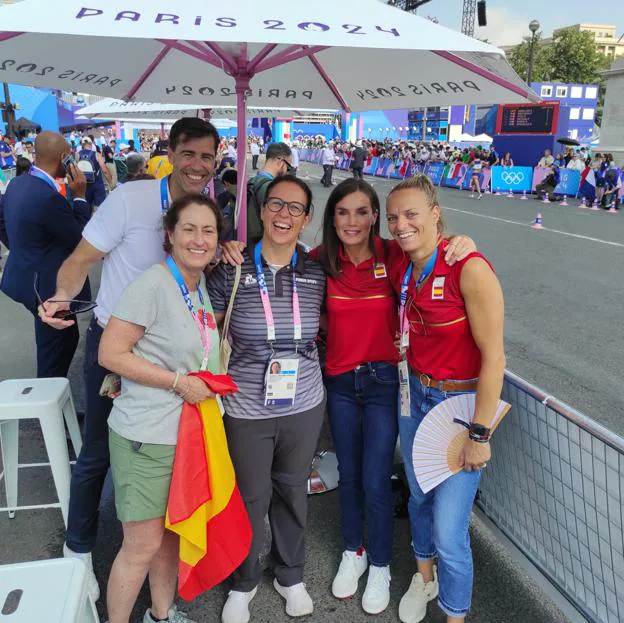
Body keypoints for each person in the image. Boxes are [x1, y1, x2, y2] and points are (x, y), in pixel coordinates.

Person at [221, 179, 475, 617]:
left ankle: (379, 564)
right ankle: (352, 551)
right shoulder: (321, 261)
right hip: (338, 382)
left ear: (376, 217)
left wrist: (459, 242)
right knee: (350, 475)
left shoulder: (394, 256)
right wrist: (231, 247)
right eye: (342, 213)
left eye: (362, 212)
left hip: (382, 386)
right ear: (329, 218)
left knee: (376, 477)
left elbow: (433, 252)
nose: (352, 221)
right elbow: (276, 265)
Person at [38, 117, 220, 603]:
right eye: (189, 153)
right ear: (171, 152)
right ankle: (78, 552)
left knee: (165, 463)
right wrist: (60, 295)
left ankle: (152, 568)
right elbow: (80, 261)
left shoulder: (207, 206)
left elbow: (201, 261)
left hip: (172, 355)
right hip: (116, 352)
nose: (197, 165)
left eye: (207, 156)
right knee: (98, 451)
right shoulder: (131, 199)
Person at [386, 174, 505, 623]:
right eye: (394, 216)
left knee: (450, 529)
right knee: (418, 499)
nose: (400, 225)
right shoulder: (401, 263)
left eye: (412, 214)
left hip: (458, 408)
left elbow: (494, 357)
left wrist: (480, 431)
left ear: (435, 215)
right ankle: (425, 577)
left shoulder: (468, 267)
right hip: (412, 394)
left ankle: (456, 615)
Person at [99, 194, 222, 623]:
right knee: (141, 546)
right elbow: (111, 352)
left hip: (184, 437)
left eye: (208, 231)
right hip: (146, 439)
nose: (199, 239)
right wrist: (177, 382)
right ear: (169, 234)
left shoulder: (195, 283)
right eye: (189, 229)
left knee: (169, 537)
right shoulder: (151, 283)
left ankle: (161, 615)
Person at [208, 175, 326, 623]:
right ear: (261, 211)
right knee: (250, 496)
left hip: (304, 402)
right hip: (246, 408)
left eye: (295, 208)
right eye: (276, 204)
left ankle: (290, 574)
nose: (284, 214)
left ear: (307, 218)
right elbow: (208, 330)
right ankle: (244, 580)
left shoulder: (317, 271)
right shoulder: (232, 268)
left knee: (293, 490)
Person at [0, 131, 90, 378]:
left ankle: (54, 403)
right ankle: (48, 409)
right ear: (63, 157)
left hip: (25, 280)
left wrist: (22, 250)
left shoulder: (17, 183)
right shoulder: (48, 197)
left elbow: (1, 220)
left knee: (57, 341)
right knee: (57, 348)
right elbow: (80, 238)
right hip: (47, 289)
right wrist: (80, 197)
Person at [246, 142, 293, 245]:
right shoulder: (271, 187)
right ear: (280, 162)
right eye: (288, 168)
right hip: (259, 244)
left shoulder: (252, 181)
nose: (287, 172)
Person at [77, 136, 110, 210]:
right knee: (101, 207)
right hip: (97, 184)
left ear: (82, 145)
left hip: (85, 185)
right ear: (91, 144)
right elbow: (104, 170)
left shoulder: (77, 155)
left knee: (87, 207)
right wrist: (110, 182)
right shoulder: (96, 154)